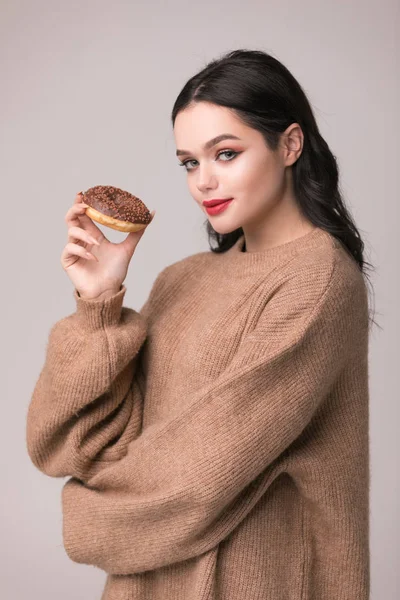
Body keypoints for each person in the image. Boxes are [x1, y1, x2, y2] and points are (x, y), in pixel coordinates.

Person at [26, 48, 375, 600]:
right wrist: (98, 306)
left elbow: (195, 478)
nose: (204, 182)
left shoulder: (320, 280)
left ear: (289, 144)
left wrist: (88, 514)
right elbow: (65, 443)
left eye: (226, 154)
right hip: (142, 585)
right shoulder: (180, 280)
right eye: (189, 162)